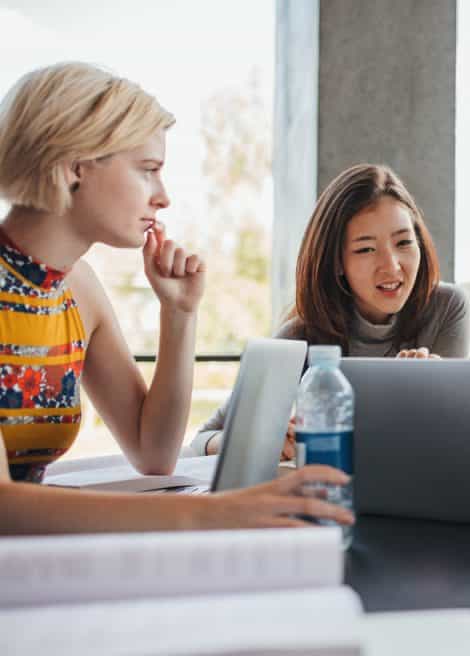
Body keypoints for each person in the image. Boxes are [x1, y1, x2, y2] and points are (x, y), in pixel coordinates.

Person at [0, 62, 350, 534]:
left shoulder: (78, 288)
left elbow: (154, 454)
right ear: (74, 167)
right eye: (148, 170)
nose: (163, 197)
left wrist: (179, 312)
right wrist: (214, 513)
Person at [191, 164, 469, 457]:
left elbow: (450, 439)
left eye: (403, 243)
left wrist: (437, 388)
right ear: (336, 262)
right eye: (366, 249)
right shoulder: (300, 337)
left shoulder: (447, 307)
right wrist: (269, 440)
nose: (392, 266)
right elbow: (202, 439)